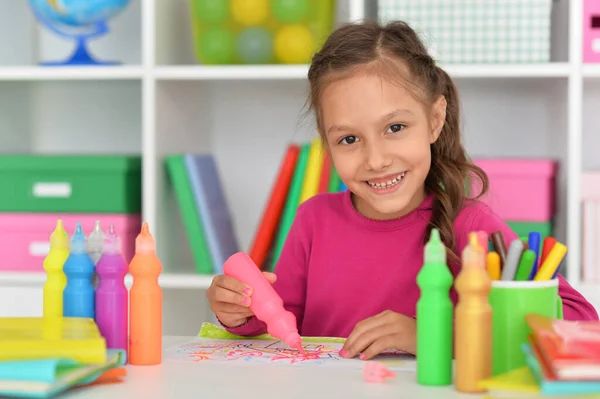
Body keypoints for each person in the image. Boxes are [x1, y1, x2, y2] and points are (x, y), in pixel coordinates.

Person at [206, 20, 598, 361]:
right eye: (348, 139)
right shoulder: (314, 218)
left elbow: (580, 321)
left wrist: (429, 334)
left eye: (395, 128)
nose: (376, 160)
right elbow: (276, 321)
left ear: (434, 120)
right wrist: (237, 311)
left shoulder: (472, 224)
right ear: (326, 144)